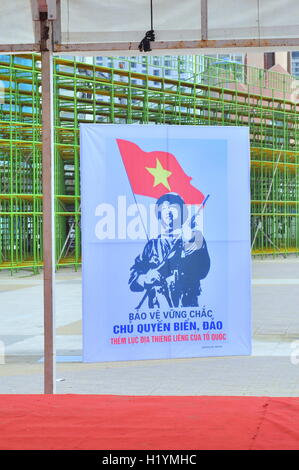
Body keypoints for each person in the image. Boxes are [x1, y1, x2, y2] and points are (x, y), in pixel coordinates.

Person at [129, 193, 210, 308]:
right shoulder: (151, 246)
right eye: (164, 209)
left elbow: (203, 270)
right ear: (159, 214)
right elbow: (133, 278)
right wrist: (145, 278)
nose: (169, 212)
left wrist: (189, 239)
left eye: (174, 208)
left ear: (182, 213)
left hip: (187, 309)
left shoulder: (195, 238)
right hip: (158, 310)